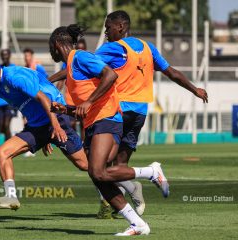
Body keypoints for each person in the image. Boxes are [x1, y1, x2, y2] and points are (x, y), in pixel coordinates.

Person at [49, 24, 170, 236]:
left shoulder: (80, 57)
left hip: (107, 118)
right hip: (95, 122)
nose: (50, 52)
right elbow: (83, 107)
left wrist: (87, 102)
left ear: (58, 44)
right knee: (98, 175)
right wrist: (65, 109)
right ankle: (137, 224)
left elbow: (110, 75)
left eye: (50, 47)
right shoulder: (70, 67)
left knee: (96, 171)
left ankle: (151, 172)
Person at [94, 10, 208, 216]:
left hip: (118, 111)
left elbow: (84, 64)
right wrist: (195, 89)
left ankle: (140, 180)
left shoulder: (112, 48)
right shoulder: (148, 48)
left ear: (120, 27)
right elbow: (171, 72)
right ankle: (126, 200)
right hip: (139, 113)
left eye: (108, 27)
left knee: (100, 165)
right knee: (120, 165)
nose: (105, 32)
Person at [0, 51, 88, 210]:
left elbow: (44, 99)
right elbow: (28, 108)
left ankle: (126, 184)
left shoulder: (15, 76)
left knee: (85, 165)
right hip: (37, 127)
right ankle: (11, 198)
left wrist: (55, 126)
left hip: (56, 118)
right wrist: (44, 138)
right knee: (1, 153)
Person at [56, 38, 87, 142]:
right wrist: (56, 92)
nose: (80, 52)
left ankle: (83, 143)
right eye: (78, 49)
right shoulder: (68, 62)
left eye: (83, 50)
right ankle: (76, 143)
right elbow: (61, 80)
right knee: (71, 123)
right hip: (70, 99)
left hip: (83, 99)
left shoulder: (89, 61)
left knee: (84, 123)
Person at [0, 49, 16, 141]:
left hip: (10, 102)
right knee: (1, 127)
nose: (4, 57)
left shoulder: (13, 67)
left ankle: (9, 145)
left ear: (9, 55)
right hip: (0, 102)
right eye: (3, 55)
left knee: (6, 124)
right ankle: (8, 142)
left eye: (6, 55)